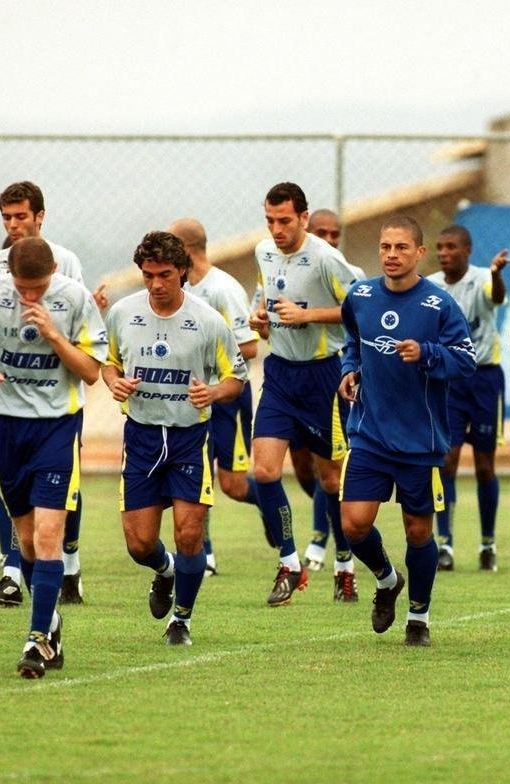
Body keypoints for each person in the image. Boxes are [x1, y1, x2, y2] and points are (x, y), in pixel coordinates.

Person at [0, 237, 107, 677]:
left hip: (57, 426)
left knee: (50, 534)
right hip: (5, 427)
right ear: (8, 276)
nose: (31, 297)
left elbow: (92, 372)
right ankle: (51, 623)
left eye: (38, 287)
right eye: (23, 288)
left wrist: (55, 335)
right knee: (30, 543)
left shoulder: (74, 299)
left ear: (54, 270)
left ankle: (37, 642)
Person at [102, 231, 246, 646]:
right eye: (148, 275)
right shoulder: (123, 314)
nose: (156, 284)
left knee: (189, 533)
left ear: (182, 271)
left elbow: (235, 378)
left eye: (165, 274)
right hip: (142, 437)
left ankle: (181, 619)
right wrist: (115, 383)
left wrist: (213, 392)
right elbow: (108, 364)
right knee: (139, 544)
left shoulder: (206, 321)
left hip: (189, 438)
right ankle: (164, 571)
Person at [338, 216, 476, 646]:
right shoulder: (359, 296)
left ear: (420, 253)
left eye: (401, 248)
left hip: (420, 440)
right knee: (354, 525)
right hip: (369, 433)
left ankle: (419, 618)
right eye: (385, 247)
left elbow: (466, 359)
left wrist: (428, 353)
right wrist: (349, 370)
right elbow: (351, 342)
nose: (391, 255)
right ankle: (386, 579)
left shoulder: (438, 305)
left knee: (418, 531)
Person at [0, 181, 97, 608]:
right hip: (8, 389)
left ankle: (70, 562)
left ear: (40, 216)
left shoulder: (65, 261)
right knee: (9, 484)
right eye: (6, 217)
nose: (13, 225)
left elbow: (79, 317)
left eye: (20, 216)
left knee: (65, 484)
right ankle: (12, 572)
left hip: (55, 395)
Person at [248, 183, 359, 605]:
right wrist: (260, 315)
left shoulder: (327, 259)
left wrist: (308, 315)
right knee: (264, 472)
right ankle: (290, 562)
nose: (276, 229)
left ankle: (345, 564)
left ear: (304, 218)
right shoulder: (263, 252)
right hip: (279, 374)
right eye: (270, 221)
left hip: (323, 377)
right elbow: (265, 298)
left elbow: (357, 310)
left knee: (329, 478)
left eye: (284, 221)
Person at [167, 218, 263, 577]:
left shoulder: (223, 289)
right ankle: (204, 554)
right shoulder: (179, 288)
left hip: (227, 399)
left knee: (234, 486)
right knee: (197, 477)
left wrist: (206, 361)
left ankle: (274, 517)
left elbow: (250, 347)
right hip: (192, 400)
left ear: (187, 248)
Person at [427, 225, 508, 571]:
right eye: (440, 247)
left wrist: (497, 274)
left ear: (467, 250)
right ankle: (445, 544)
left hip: (485, 378)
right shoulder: (429, 286)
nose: (445, 253)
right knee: (446, 461)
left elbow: (497, 297)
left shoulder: (483, 279)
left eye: (451, 247)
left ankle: (487, 543)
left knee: (485, 465)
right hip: (448, 382)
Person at [297, 208, 349, 576]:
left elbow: (358, 315)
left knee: (328, 469)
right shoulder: (282, 268)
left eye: (335, 234)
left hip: (333, 376)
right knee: (303, 471)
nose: (330, 240)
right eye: (322, 233)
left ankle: (322, 541)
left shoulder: (348, 273)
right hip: (288, 378)